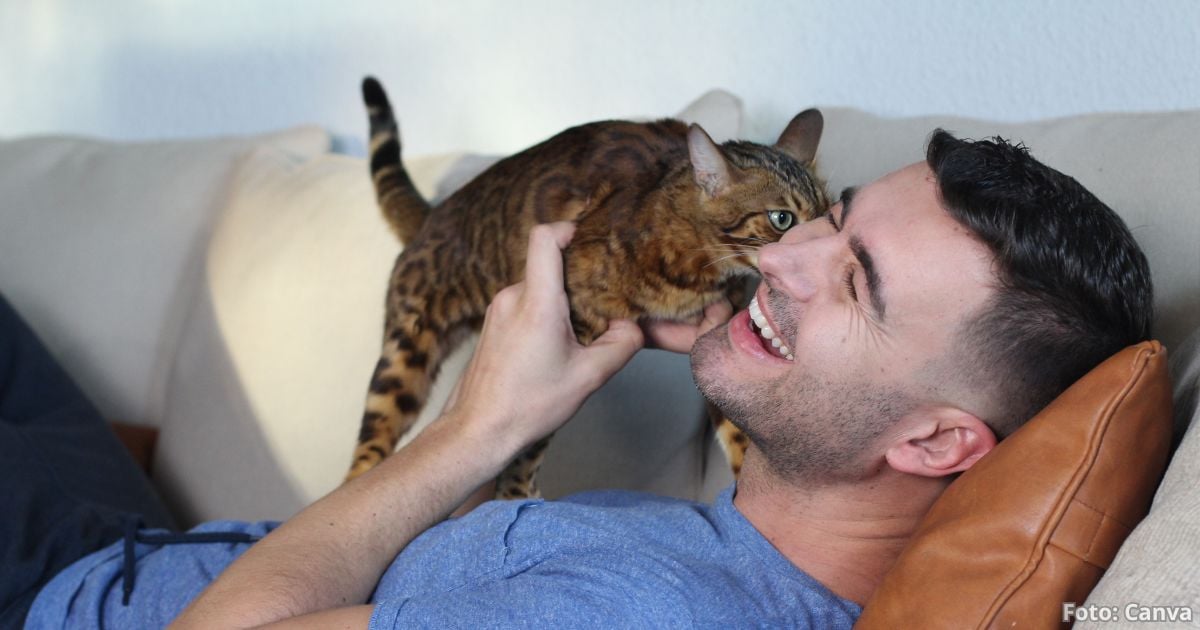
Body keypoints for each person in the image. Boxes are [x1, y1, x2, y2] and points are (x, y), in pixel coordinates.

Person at [11, 130, 1152, 628]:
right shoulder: (744, 554)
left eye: (854, 281)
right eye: (823, 217)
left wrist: (479, 424)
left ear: (940, 444)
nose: (777, 254)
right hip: (134, 542)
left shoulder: (648, 615)